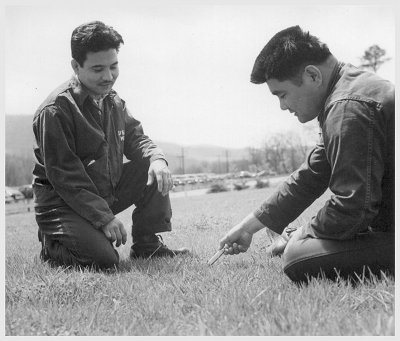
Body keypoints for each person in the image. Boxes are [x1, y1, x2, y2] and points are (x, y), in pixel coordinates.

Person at [219, 26, 394, 283]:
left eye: (283, 94)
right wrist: (248, 228)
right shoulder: (349, 90)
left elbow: (353, 208)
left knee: (296, 257)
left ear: (312, 75)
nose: (282, 106)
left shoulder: (346, 107)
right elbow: (310, 175)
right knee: (299, 244)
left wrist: (301, 234)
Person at [32, 21, 189, 270]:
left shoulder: (113, 100)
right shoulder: (55, 111)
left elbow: (137, 138)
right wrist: (104, 218)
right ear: (76, 66)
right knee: (106, 261)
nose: (108, 77)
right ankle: (53, 245)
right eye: (97, 69)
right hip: (61, 203)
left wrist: (158, 159)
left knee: (151, 164)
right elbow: (65, 177)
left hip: (103, 191)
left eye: (113, 67)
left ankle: (147, 246)